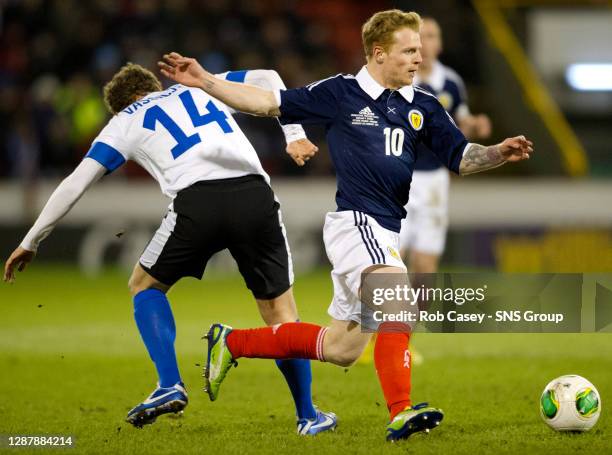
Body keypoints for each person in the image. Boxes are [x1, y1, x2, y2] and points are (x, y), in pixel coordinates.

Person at [158, 8, 533, 442]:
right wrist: (206, 81)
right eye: (409, 50)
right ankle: (402, 411)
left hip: (385, 231)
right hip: (356, 223)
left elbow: (462, 159)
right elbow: (267, 103)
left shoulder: (424, 106)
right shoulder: (341, 93)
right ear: (378, 53)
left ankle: (231, 342)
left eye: (419, 49)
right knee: (398, 300)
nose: (419, 57)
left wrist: (498, 153)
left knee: (341, 349)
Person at [2, 63, 338, 434]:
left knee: (145, 286)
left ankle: (169, 384)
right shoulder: (198, 86)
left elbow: (76, 182)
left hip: (197, 201)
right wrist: (292, 133)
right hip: (254, 196)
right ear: (153, 84)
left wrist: (31, 240)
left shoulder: (125, 120)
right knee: (281, 314)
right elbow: (269, 77)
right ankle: (308, 416)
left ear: (122, 103)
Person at [400, 16, 492, 273]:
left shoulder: (451, 81)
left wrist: (474, 124)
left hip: (434, 180)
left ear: (439, 44)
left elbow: (459, 120)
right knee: (393, 260)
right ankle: (386, 314)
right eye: (420, 36)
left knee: (426, 263)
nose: (425, 42)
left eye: (431, 36)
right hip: (397, 176)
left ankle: (415, 315)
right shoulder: (397, 78)